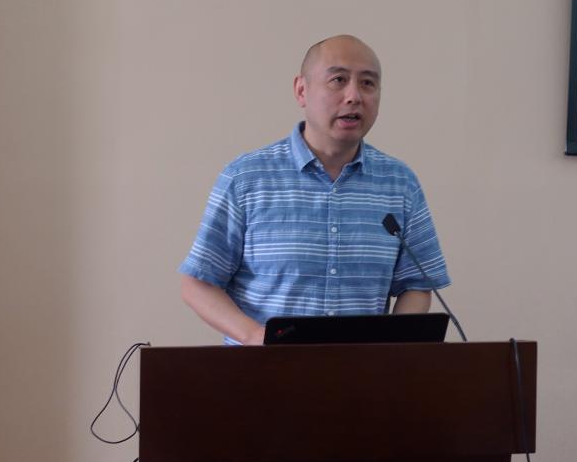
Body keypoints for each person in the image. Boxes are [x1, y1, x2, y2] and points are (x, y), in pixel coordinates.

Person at [179, 35, 451, 345]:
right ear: (301, 90)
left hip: (363, 372)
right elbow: (197, 284)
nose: (354, 96)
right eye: (338, 80)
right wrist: (255, 336)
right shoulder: (246, 179)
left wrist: (394, 349)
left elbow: (417, 285)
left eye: (367, 83)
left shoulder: (400, 183)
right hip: (264, 370)